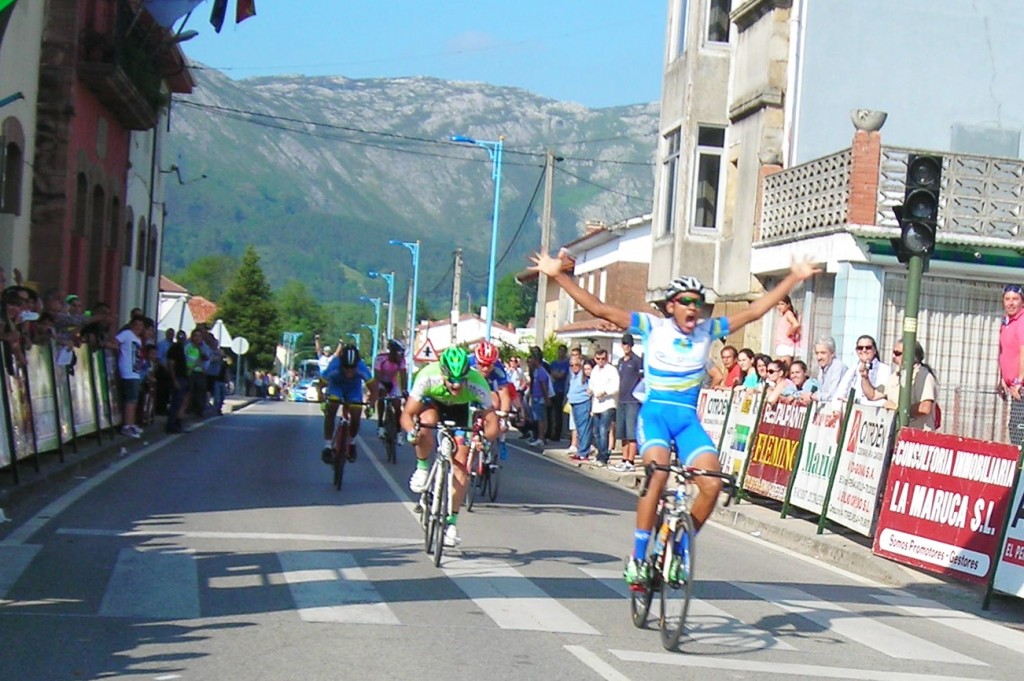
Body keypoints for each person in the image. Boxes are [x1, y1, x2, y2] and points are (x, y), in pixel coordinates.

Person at [530, 248, 817, 586]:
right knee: (656, 476)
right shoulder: (651, 326)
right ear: (670, 306)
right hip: (654, 415)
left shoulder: (708, 330)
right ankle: (638, 558)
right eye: (685, 301)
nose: (693, 307)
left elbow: (755, 311)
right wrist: (558, 274)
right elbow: (599, 309)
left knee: (712, 484)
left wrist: (793, 278)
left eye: (697, 301)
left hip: (686, 420)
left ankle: (678, 548)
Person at [401, 346, 497, 547]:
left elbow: (492, 422)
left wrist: (484, 439)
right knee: (425, 422)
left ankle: (451, 523)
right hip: (432, 404)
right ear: (442, 372)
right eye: (451, 380)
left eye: (461, 380)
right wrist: (412, 433)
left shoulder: (477, 383)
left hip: (459, 411)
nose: (456, 385)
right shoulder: (427, 376)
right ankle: (422, 468)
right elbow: (408, 414)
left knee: (461, 464)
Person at [861, 340, 938, 430]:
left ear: (910, 356)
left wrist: (898, 409)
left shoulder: (923, 375)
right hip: (897, 433)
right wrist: (865, 377)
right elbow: (873, 395)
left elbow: (925, 407)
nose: (893, 356)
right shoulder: (896, 375)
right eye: (893, 352)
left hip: (916, 437)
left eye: (897, 353)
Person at [321, 343, 373, 464]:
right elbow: (320, 386)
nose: (349, 371)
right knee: (332, 408)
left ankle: (352, 442)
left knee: (356, 414)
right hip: (336, 386)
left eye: (352, 368)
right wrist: (323, 401)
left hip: (353, 389)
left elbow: (374, 390)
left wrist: (371, 405)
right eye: (346, 368)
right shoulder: (334, 366)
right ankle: (328, 446)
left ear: (357, 365)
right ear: (341, 364)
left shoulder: (362, 368)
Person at [610, 333, 643, 473]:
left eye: (628, 344)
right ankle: (624, 459)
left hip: (632, 401)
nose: (626, 346)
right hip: (622, 400)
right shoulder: (621, 362)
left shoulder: (637, 361)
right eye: (624, 344)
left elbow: (642, 379)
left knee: (631, 432)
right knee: (622, 432)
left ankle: (631, 460)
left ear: (632, 345)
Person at [998, 284, 1024, 446]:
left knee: (1018, 429)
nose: (1011, 303)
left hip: (1021, 387)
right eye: (1007, 299)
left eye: (1015, 299)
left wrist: (1019, 381)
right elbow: (1005, 353)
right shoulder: (1007, 322)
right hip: (1013, 386)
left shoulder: (1022, 321)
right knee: (1014, 428)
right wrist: (1002, 378)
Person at [115, 316, 145, 438]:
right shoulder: (126, 334)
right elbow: (115, 342)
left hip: (135, 371)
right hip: (127, 371)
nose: (138, 327)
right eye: (136, 324)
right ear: (131, 324)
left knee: (134, 400)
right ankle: (126, 426)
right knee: (130, 400)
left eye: (141, 325)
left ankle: (131, 424)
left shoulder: (138, 339)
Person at [839, 334, 890, 406]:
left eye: (868, 347)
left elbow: (879, 399)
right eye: (860, 348)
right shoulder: (853, 368)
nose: (864, 350)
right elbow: (841, 392)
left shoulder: (884, 369)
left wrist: (856, 401)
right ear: (856, 351)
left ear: (874, 350)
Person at [589, 348, 619, 466]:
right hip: (596, 405)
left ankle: (604, 457)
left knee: (603, 430)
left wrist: (605, 392)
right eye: (598, 359)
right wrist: (590, 390)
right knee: (596, 432)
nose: (600, 361)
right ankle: (599, 453)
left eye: (603, 359)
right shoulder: (595, 370)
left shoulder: (612, 370)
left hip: (608, 404)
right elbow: (592, 384)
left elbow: (616, 387)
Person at [373, 338, 409, 437]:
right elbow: (377, 377)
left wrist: (404, 391)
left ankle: (398, 431)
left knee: (397, 405)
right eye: (399, 353)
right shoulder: (381, 358)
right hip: (382, 382)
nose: (401, 356)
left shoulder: (401, 361)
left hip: (392, 384)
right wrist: (375, 392)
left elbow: (403, 376)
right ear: (392, 351)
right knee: (382, 394)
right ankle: (380, 425)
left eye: (402, 353)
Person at [566, 354, 593, 461]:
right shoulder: (573, 374)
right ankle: (580, 450)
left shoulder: (584, 374)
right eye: (571, 365)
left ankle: (583, 452)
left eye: (576, 365)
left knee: (584, 429)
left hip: (583, 402)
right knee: (578, 429)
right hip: (574, 403)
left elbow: (592, 385)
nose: (574, 367)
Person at [526, 352, 551, 447]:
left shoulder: (541, 371)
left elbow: (544, 387)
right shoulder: (535, 371)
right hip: (536, 397)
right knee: (538, 418)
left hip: (540, 398)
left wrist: (546, 399)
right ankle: (540, 437)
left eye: (532, 358)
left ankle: (541, 438)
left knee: (540, 419)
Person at [812, 336, 847, 403]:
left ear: (833, 353)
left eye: (823, 353)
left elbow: (833, 395)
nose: (819, 357)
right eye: (817, 353)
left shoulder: (838, 367)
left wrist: (813, 396)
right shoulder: (822, 368)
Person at [547, 344, 570, 441]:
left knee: (558, 414)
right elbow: (551, 374)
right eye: (559, 350)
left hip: (560, 390)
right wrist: (556, 374)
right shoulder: (553, 363)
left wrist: (556, 374)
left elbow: (561, 375)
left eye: (562, 351)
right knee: (550, 413)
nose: (560, 352)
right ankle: (549, 433)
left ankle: (557, 434)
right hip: (552, 390)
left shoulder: (566, 364)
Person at [773, 295, 802, 363]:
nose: (779, 306)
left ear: (788, 305)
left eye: (782, 304)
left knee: (785, 368)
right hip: (782, 345)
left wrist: (789, 333)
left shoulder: (788, 314)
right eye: (778, 304)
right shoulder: (784, 315)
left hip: (786, 346)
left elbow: (796, 324)